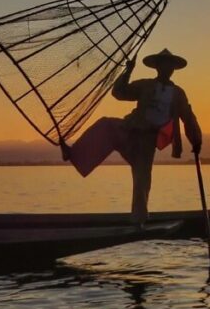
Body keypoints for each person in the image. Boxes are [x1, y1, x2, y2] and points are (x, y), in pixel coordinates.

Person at [61, 48, 202, 225]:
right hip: (129, 129)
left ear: (173, 69)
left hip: (147, 140)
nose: (166, 69)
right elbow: (119, 92)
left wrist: (196, 141)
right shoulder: (145, 85)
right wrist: (128, 71)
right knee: (106, 125)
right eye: (163, 65)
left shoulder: (178, 94)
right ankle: (74, 154)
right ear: (157, 67)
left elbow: (187, 117)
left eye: (169, 66)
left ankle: (139, 220)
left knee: (142, 179)